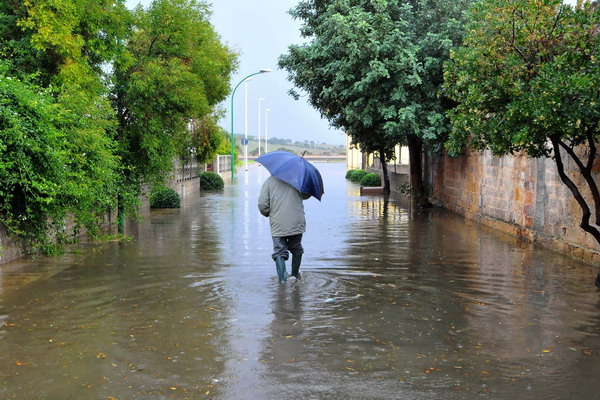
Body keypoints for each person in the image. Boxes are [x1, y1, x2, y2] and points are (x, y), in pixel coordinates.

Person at [258, 176, 311, 283]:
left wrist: (269, 213)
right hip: (296, 221)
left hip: (278, 222)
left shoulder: (269, 182)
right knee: (296, 248)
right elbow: (306, 195)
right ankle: (295, 276)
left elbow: (263, 205)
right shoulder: (297, 179)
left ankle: (282, 281)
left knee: (279, 251)